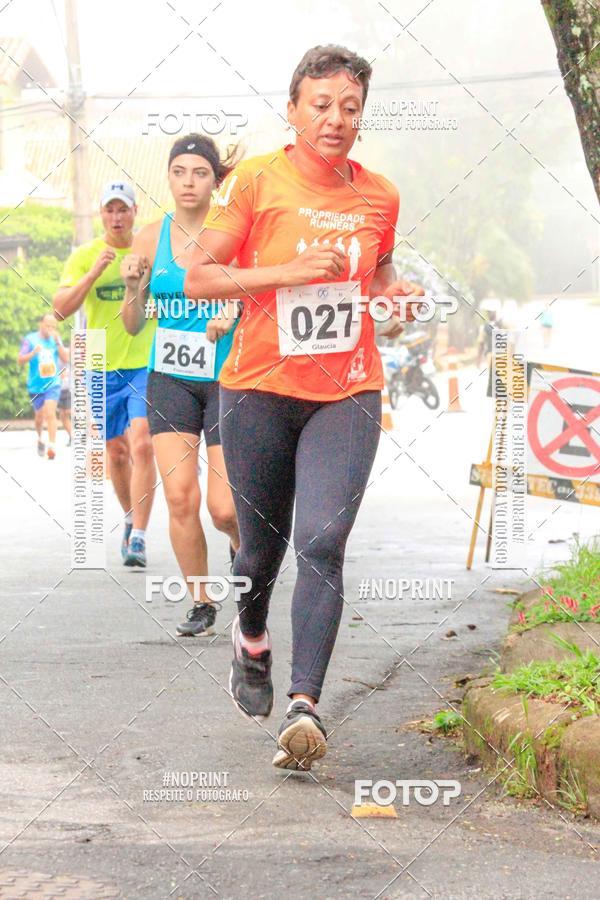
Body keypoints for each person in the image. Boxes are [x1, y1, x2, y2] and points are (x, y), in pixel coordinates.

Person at [185, 45, 423, 770]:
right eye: (321, 105)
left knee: (322, 540)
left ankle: (304, 707)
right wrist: (285, 272)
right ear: (293, 110)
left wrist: (396, 297)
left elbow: (377, 273)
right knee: (261, 549)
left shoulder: (378, 195)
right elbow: (201, 278)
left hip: (346, 390)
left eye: (350, 108)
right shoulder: (257, 180)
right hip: (257, 388)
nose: (336, 120)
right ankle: (249, 627)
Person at [120, 134, 240, 636]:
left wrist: (230, 309)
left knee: (225, 507)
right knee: (181, 497)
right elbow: (132, 324)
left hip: (228, 375)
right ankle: (201, 602)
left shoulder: (234, 233)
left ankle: (241, 545)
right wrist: (132, 286)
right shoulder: (149, 237)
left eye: (200, 173)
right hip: (170, 376)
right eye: (179, 172)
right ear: (168, 177)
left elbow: (250, 293)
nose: (188, 182)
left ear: (215, 180)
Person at [53, 182, 157, 567]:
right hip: (98, 361)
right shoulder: (84, 256)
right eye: (110, 210)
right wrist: (94, 273)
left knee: (143, 442)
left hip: (144, 360)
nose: (117, 217)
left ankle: (141, 539)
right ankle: (131, 520)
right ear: (101, 214)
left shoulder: (149, 252)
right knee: (116, 453)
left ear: (134, 211)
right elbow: (61, 309)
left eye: (123, 210)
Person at [18, 313, 69, 459]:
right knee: (39, 416)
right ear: (41, 324)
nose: (50, 329)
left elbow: (65, 358)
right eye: (48, 326)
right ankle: (40, 437)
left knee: (50, 412)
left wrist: (58, 342)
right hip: (35, 385)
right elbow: (20, 360)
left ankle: (52, 446)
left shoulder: (56, 339)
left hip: (53, 383)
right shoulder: (30, 340)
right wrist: (33, 353)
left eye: (53, 326)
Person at [57, 362, 72, 445]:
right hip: (59, 390)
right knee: (62, 415)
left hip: (70, 389)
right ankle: (72, 436)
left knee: (69, 411)